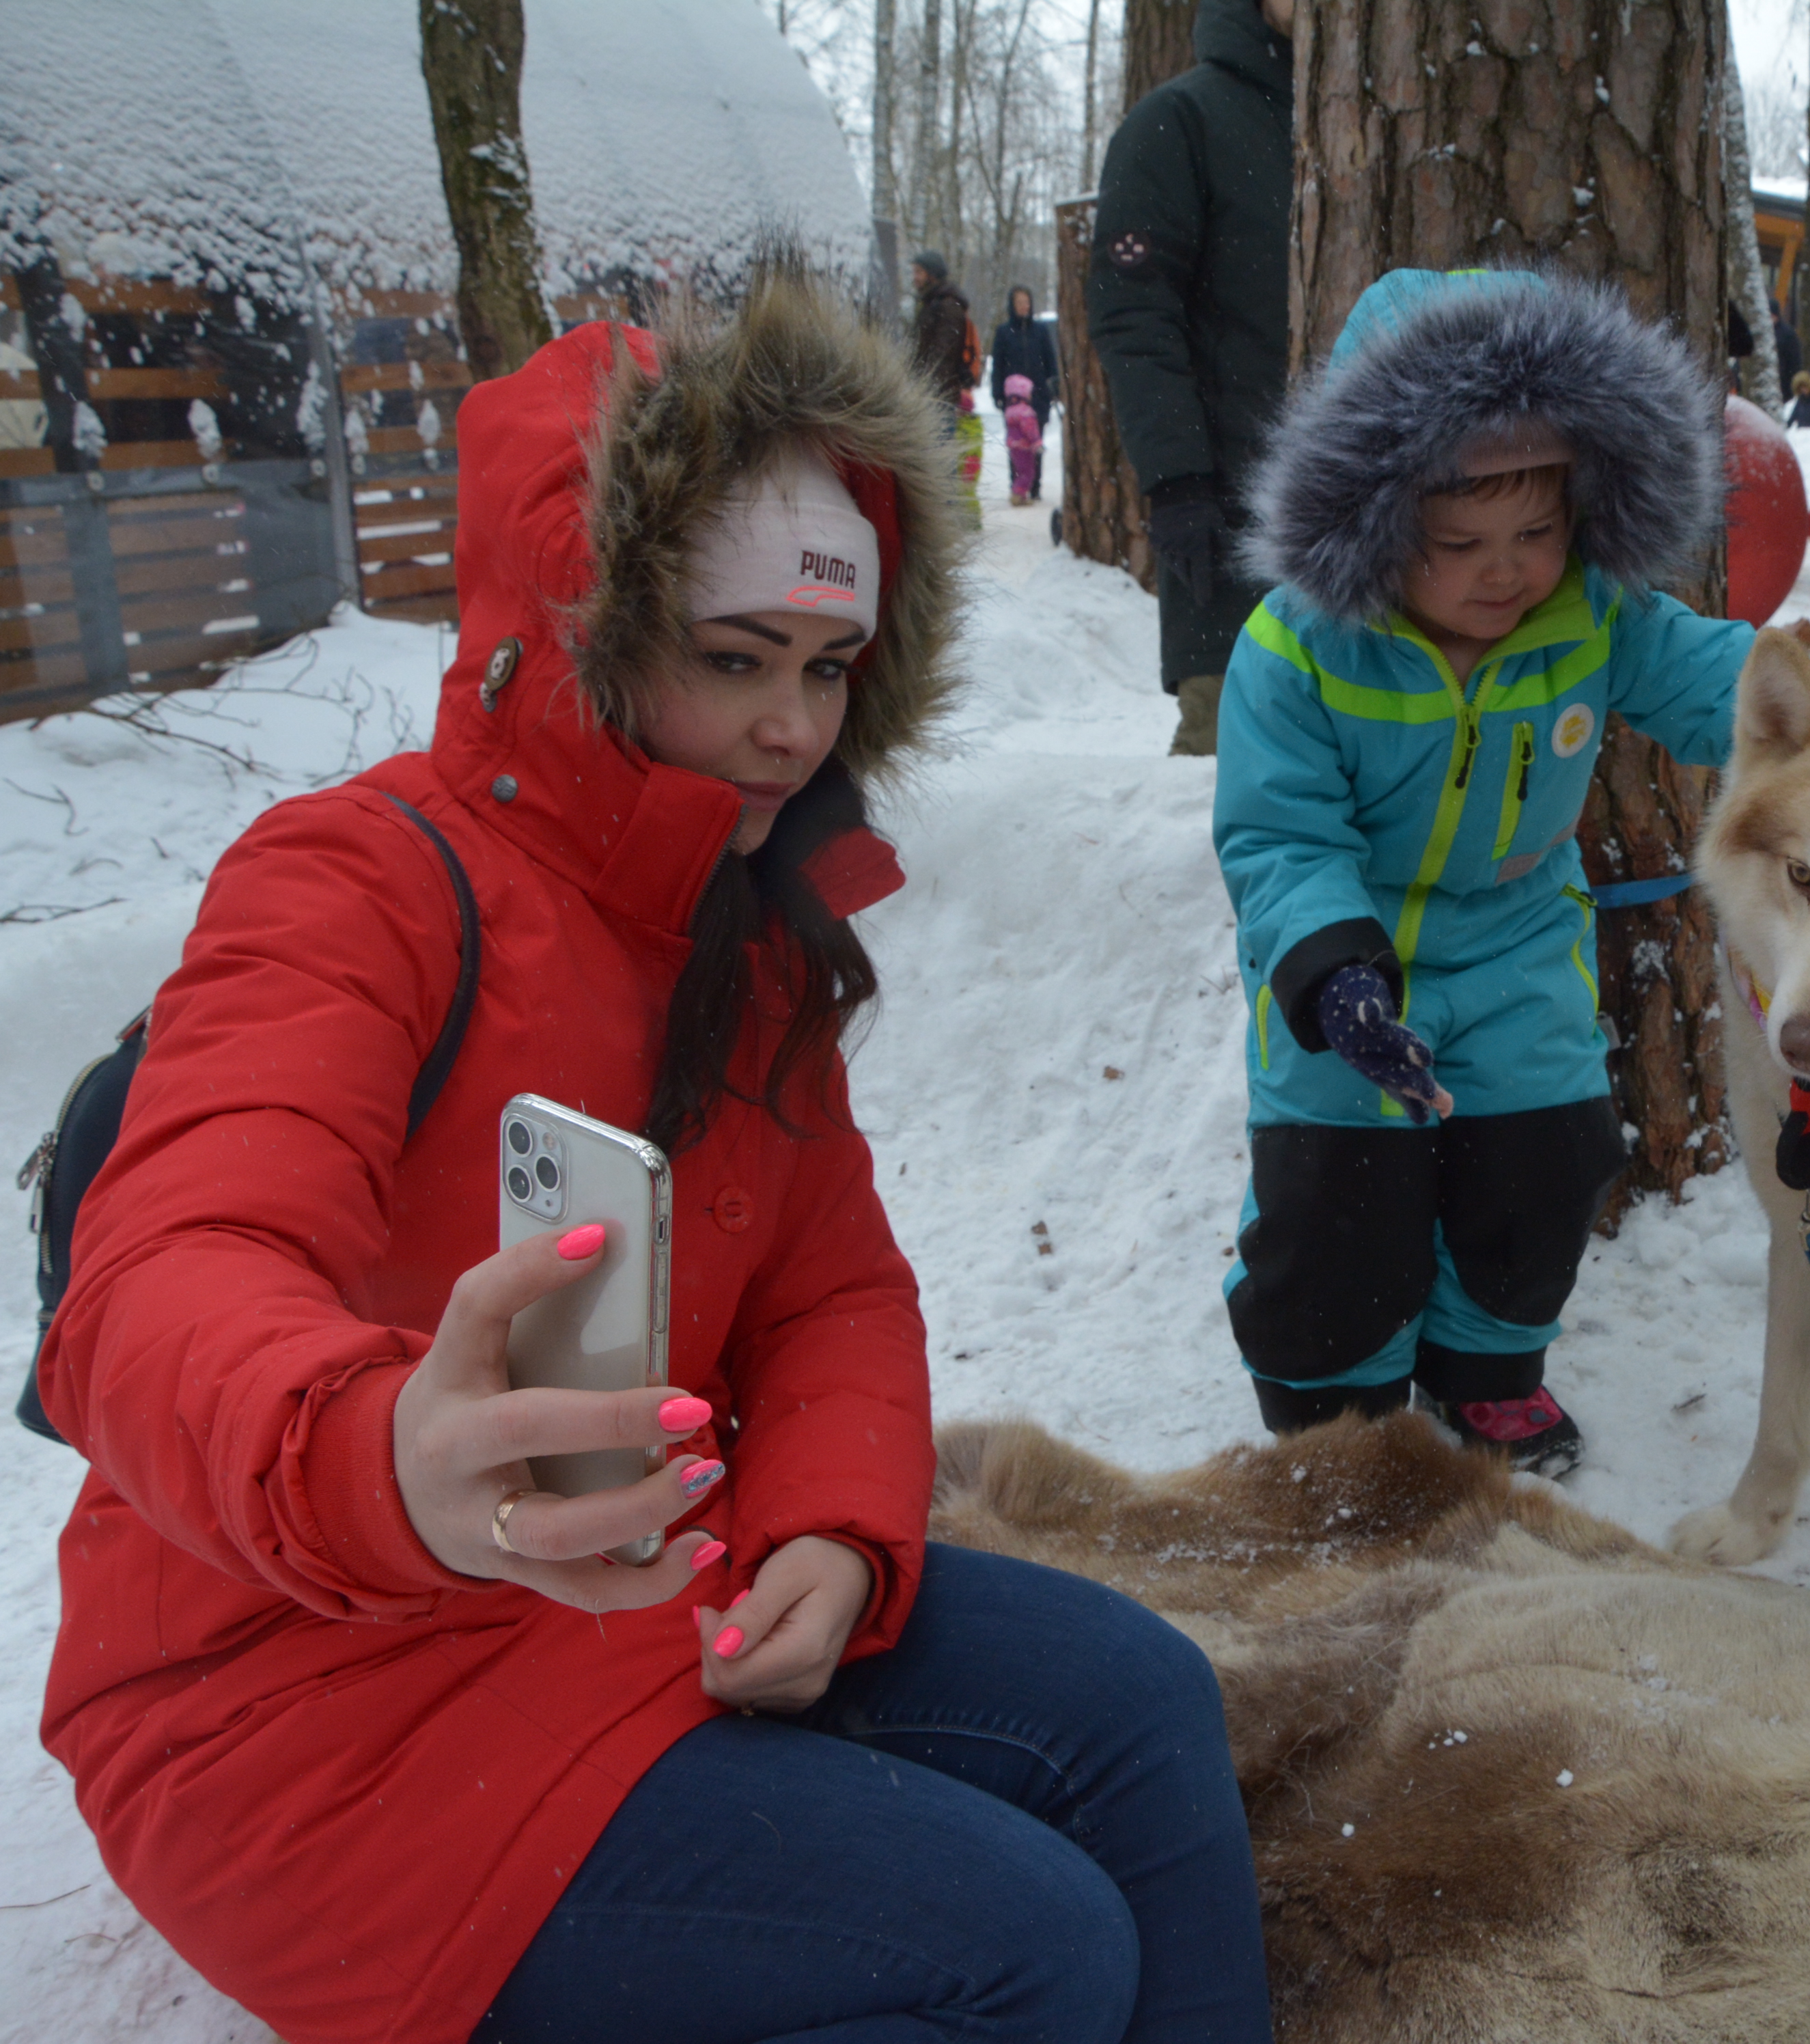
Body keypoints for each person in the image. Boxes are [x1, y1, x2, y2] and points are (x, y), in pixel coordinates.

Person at [34, 265, 1273, 2044]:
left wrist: (833, 1532)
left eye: (831, 668)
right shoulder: (358, 882)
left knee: (1146, 1706)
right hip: (299, 1694)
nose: (792, 728)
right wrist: (379, 1449)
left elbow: (834, 1286)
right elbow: (159, 1282)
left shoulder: (750, 926)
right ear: (595, 629)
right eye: (733, 658)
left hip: (630, 1600)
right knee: (1029, 1952)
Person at [1215, 271, 1751, 1477]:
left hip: (1517, 945)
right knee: (1336, 1195)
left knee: (1544, 1168)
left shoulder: (1596, 615)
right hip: (1350, 956)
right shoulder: (1296, 647)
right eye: (1458, 544)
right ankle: (1331, 1393)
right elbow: (1279, 835)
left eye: (1537, 532)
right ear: (1378, 520)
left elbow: (1716, 684)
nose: (1505, 572)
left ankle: (1489, 1371)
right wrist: (1338, 982)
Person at [1090, 0, 1294, 756]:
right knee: (1228, 769)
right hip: (1231, 523)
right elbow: (1132, 315)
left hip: (1377, 533)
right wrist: (1177, 480)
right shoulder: (1179, 122)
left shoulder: (1385, 120)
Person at [907, 249, 981, 524]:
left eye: (919, 272)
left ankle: (947, 519)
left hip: (937, 394)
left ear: (932, 274)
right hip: (929, 392)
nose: (914, 278)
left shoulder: (947, 306)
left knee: (942, 457)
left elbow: (941, 352)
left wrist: (925, 385)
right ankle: (941, 515)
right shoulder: (932, 303)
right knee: (935, 455)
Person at [986, 283, 1059, 454]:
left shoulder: (1041, 331)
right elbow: (998, 365)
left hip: (1038, 397)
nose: (1024, 306)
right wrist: (998, 393)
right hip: (1014, 400)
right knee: (1018, 450)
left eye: (1026, 302)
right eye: (1019, 302)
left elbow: (1050, 361)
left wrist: (1054, 387)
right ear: (1012, 305)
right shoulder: (1004, 332)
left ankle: (1035, 481)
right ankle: (1018, 480)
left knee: (1036, 447)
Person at [1003, 370, 1045, 503]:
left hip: (1014, 446)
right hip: (1025, 446)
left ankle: (1020, 494)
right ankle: (1018, 495)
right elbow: (1031, 430)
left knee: (1019, 471)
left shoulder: (1010, 411)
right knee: (1028, 473)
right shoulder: (1026, 412)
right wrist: (1037, 442)